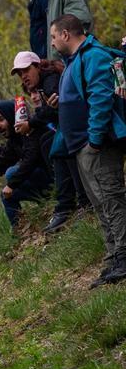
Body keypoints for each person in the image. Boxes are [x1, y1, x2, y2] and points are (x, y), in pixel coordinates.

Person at [49, 14, 126, 287]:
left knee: (111, 199)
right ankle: (114, 257)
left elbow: (101, 98)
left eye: (54, 36)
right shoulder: (73, 61)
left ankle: (124, 256)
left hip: (98, 146)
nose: (53, 42)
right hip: (82, 148)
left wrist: (94, 140)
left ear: (66, 34)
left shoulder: (92, 56)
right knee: (100, 203)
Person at [10, 51, 90, 232]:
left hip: (81, 124)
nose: (23, 77)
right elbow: (51, 111)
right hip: (73, 125)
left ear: (37, 67)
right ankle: (70, 204)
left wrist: (30, 123)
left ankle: (77, 204)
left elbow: (55, 110)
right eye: (20, 74)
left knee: (58, 147)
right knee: (50, 143)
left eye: (26, 70)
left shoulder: (50, 80)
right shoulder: (44, 82)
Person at [0, 100, 53, 228]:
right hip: (44, 187)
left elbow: (30, 160)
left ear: (11, 116)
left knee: (11, 173)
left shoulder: (32, 129)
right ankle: (19, 232)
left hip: (56, 181)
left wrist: (12, 184)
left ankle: (53, 200)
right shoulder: (15, 140)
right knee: (6, 196)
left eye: (1, 119)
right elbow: (1, 162)